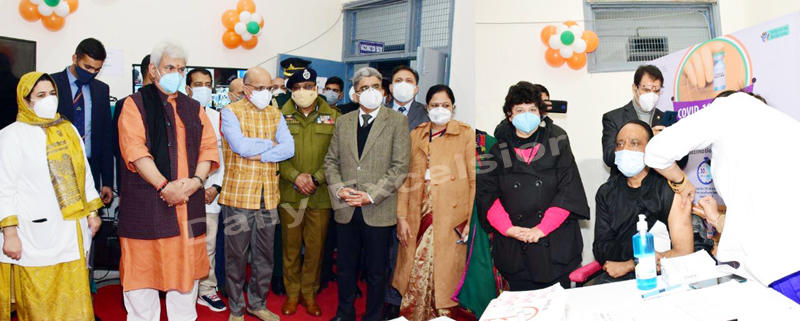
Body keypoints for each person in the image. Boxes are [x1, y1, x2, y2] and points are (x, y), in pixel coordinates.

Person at [644, 92, 800, 305]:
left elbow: (656, 151)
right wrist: (717, 218)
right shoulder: (787, 126)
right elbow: (768, 211)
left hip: (783, 270)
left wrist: (681, 182)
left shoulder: (728, 108)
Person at [116, 41, 220, 320]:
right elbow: (135, 152)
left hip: (189, 204)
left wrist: (197, 181)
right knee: (141, 280)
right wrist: (165, 186)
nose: (177, 73)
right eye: (170, 67)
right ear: (153, 69)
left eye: (181, 68)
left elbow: (208, 149)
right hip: (147, 205)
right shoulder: (133, 104)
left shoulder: (194, 107)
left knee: (186, 282)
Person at [0, 71, 103, 321]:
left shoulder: (68, 129)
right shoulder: (11, 135)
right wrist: (10, 233)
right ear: (25, 101)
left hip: (71, 231)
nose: (49, 99)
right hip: (33, 235)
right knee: (39, 302)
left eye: (52, 93)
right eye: (41, 95)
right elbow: (4, 188)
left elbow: (84, 174)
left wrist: (93, 212)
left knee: (74, 300)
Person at [477, 81, 589, 291]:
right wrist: (509, 229)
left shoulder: (558, 143)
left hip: (556, 247)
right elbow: (487, 196)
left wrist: (541, 229)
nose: (526, 115)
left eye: (532, 109)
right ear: (509, 115)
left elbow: (568, 191)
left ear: (540, 113)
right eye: (520, 110)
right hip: (515, 249)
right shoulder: (495, 153)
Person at [324, 67, 410, 321]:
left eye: (375, 87)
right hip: (346, 207)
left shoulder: (397, 121)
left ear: (383, 92)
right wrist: (340, 189)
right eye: (364, 88)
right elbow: (331, 161)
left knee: (376, 272)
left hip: (378, 209)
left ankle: (373, 316)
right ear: (355, 94)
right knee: (346, 268)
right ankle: (345, 313)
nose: (370, 92)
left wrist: (370, 195)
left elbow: (400, 168)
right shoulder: (343, 121)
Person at [393, 85, 475, 320]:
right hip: (416, 210)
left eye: (446, 105)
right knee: (415, 268)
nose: (441, 110)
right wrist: (401, 217)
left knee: (445, 273)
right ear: (427, 107)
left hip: (451, 214)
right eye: (435, 105)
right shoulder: (416, 134)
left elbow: (473, 179)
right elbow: (405, 179)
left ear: (454, 108)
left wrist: (470, 220)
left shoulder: (466, 133)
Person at [219, 66, 294, 321]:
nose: (266, 93)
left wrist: (259, 152)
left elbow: (289, 149)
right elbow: (239, 146)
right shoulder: (230, 112)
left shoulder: (276, 113)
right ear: (247, 89)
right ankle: (237, 309)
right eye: (260, 88)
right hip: (238, 196)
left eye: (269, 88)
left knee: (264, 256)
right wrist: (271, 145)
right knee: (236, 257)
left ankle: (257, 304)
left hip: (268, 197)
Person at [592, 120, 693, 284]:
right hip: (616, 280)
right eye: (620, 144)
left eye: (634, 143)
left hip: (663, 278)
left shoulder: (669, 190)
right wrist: (645, 255)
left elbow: (683, 253)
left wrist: (630, 264)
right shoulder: (606, 192)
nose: (625, 149)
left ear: (650, 149)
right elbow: (601, 249)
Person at [278, 68, 341, 317]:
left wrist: (316, 178)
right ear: (291, 92)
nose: (303, 92)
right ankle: (292, 295)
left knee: (315, 250)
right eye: (297, 88)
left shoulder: (334, 116)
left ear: (316, 88)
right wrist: (296, 176)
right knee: (290, 249)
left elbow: (336, 155)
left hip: (320, 194)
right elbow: (273, 154)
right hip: (290, 193)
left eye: (309, 86)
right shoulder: (278, 117)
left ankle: (309, 295)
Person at [183, 68, 228, 312]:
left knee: (208, 243)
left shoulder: (220, 117)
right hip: (183, 193)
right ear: (188, 88)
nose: (204, 88)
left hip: (210, 193)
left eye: (208, 84)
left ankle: (207, 290)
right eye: (198, 84)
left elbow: (223, 157)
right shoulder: (177, 113)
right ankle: (183, 288)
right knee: (184, 243)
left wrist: (215, 186)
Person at [51, 37, 115, 207]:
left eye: (97, 69)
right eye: (87, 67)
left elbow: (106, 138)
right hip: (58, 168)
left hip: (90, 169)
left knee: (89, 224)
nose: (92, 73)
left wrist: (107, 181)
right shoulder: (51, 84)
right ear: (75, 58)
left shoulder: (101, 90)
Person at [601, 65, 687, 177]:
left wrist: (670, 142)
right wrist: (648, 138)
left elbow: (682, 162)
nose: (651, 95)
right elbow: (609, 157)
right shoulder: (614, 118)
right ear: (634, 88)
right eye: (646, 90)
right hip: (625, 187)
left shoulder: (666, 120)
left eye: (656, 91)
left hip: (658, 187)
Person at [388, 66, 428, 131]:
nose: (403, 84)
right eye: (398, 80)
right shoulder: (379, 111)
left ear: (416, 89)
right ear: (391, 87)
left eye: (409, 81)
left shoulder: (425, 112)